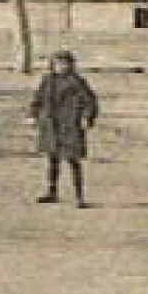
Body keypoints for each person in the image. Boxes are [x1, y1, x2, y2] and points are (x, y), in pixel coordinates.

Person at [28, 50, 100, 208]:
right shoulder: (47, 80)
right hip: (51, 126)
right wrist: (33, 115)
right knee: (52, 160)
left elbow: (90, 101)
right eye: (57, 64)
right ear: (52, 65)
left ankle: (79, 197)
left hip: (70, 125)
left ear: (71, 65)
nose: (61, 67)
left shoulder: (77, 82)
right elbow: (37, 99)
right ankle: (52, 192)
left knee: (73, 160)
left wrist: (87, 118)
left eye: (64, 64)